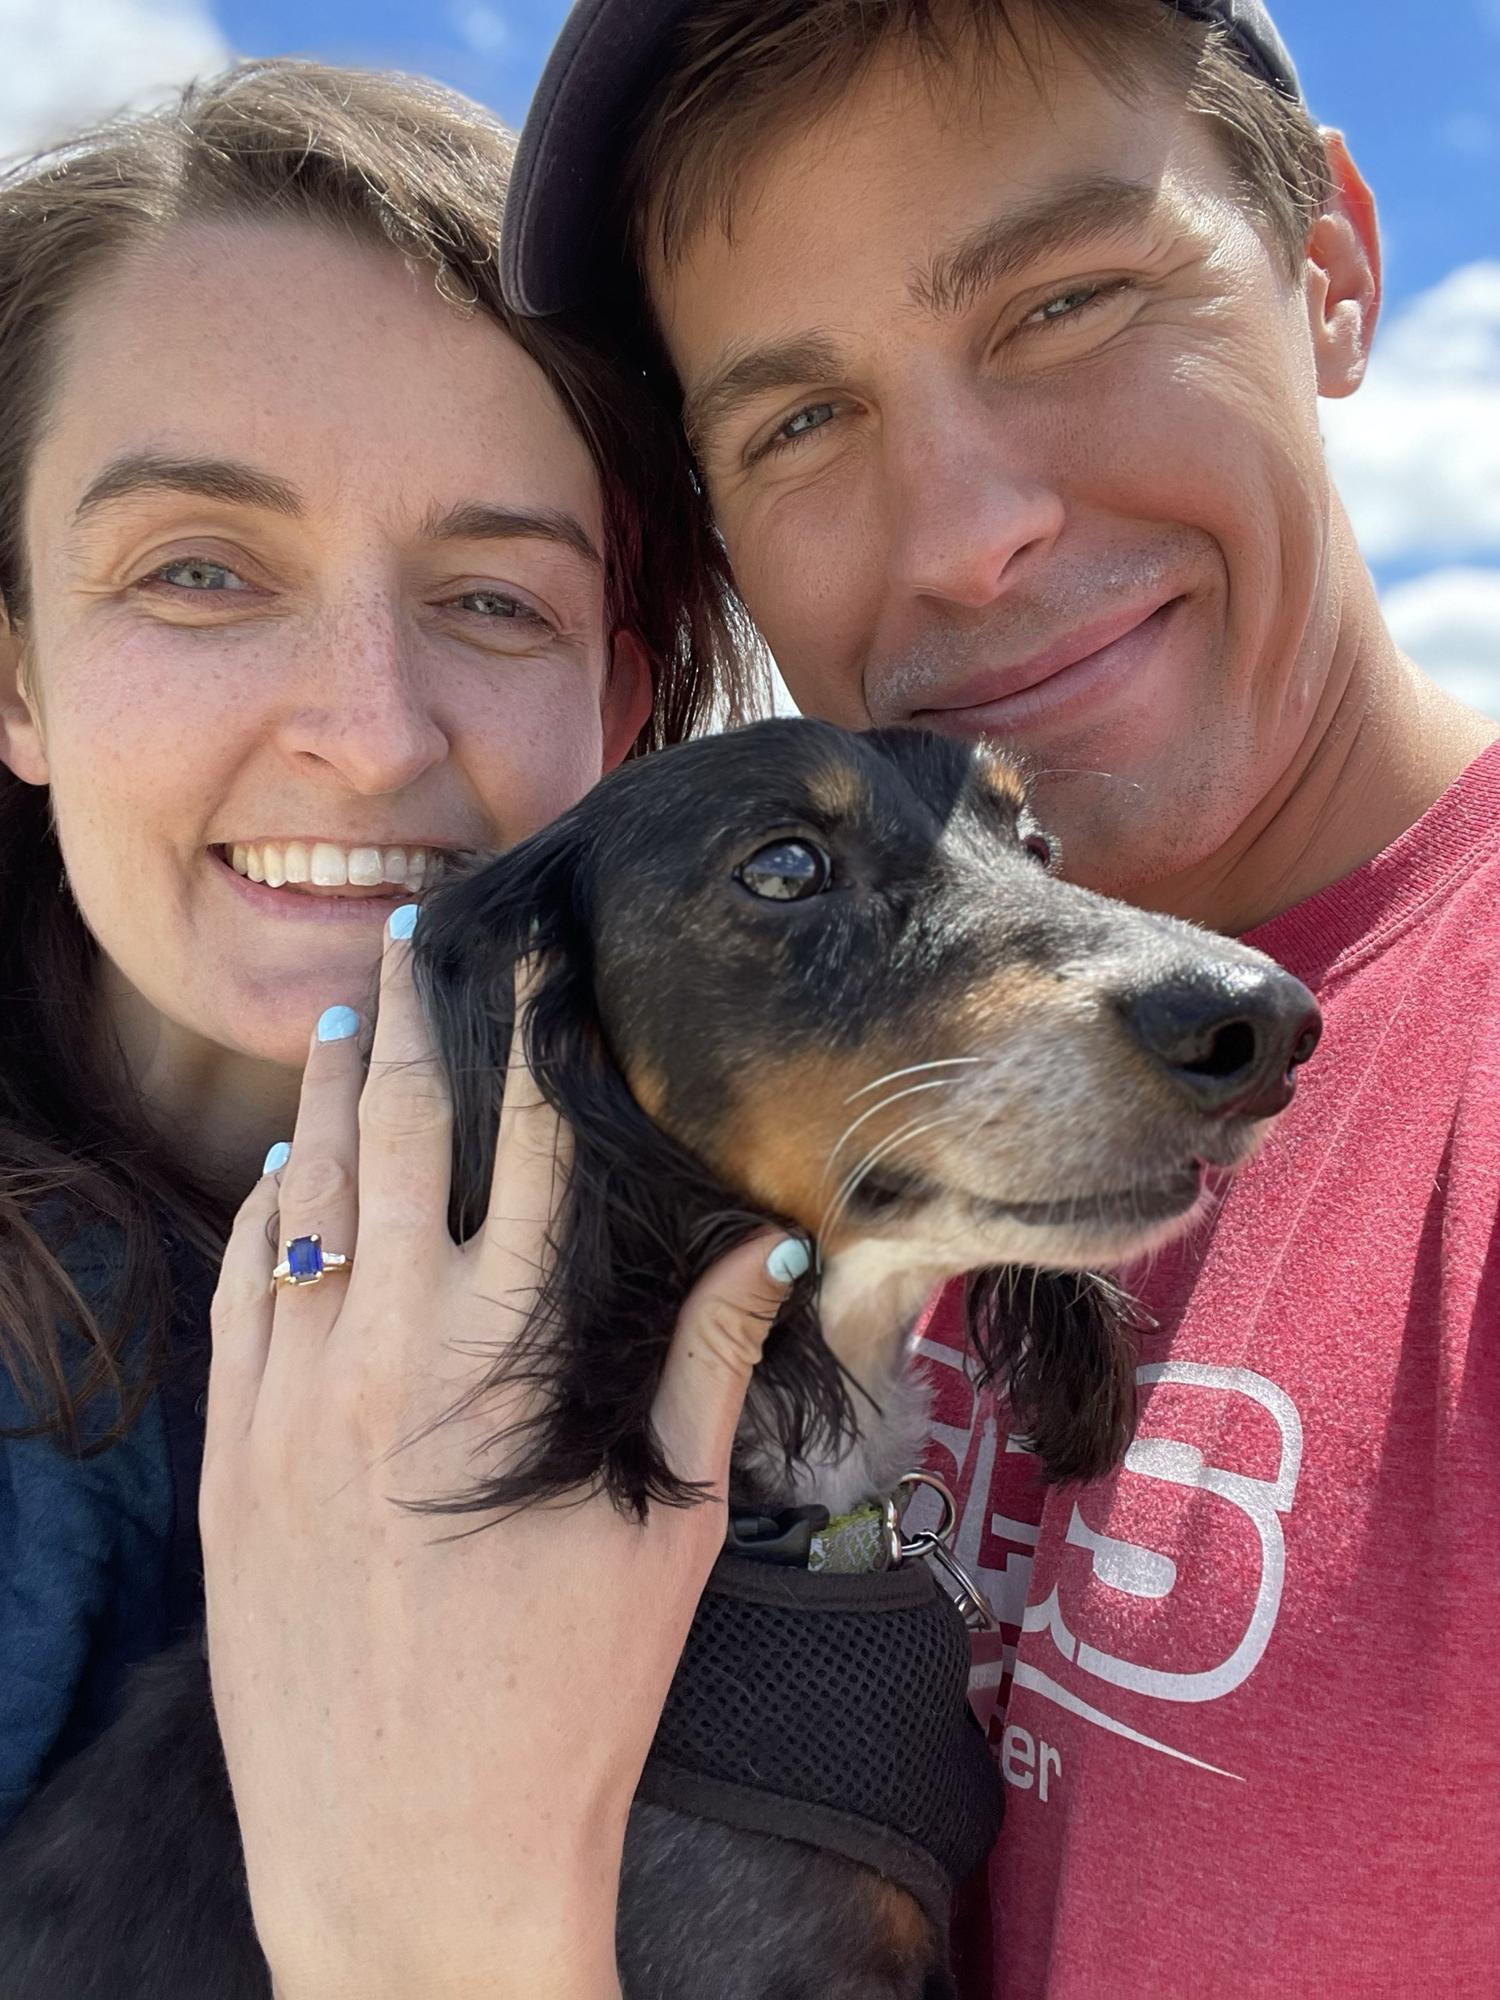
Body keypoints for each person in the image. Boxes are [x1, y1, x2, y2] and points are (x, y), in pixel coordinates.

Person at [498, 0, 1500, 1992]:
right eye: (797, 419)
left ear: (1331, 275)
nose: (965, 537)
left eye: (1064, 303)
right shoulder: (678, 1111)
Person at [0, 59, 806, 1997]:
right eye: (199, 571)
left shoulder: (747, 1265)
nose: (370, 726)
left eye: (492, 598)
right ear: (16, 666)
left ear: (625, 706)